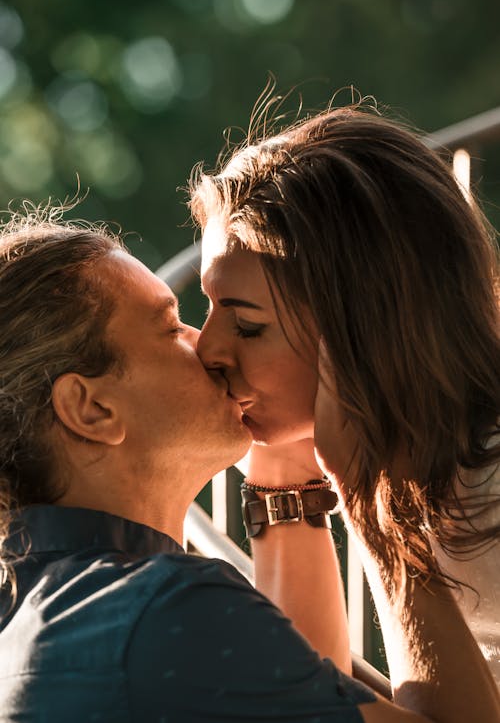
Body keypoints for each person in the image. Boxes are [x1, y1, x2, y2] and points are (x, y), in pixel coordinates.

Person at [3, 201, 496, 722]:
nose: (208, 346)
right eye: (171, 328)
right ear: (92, 409)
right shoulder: (166, 609)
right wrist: (369, 493)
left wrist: (284, 482)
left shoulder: (44, 603)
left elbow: (305, 695)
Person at [191, 96, 500, 705]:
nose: (207, 349)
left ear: (365, 333)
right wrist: (281, 484)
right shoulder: (426, 453)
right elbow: (309, 709)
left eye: (247, 324)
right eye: (207, 308)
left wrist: (366, 505)